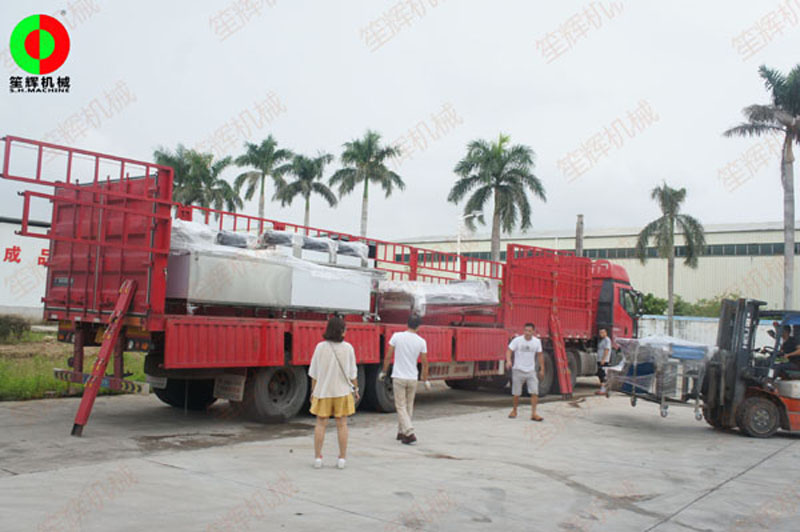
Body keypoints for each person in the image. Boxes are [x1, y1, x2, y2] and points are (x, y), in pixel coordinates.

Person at [308, 316, 359, 469]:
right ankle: (342, 458)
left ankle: (318, 458)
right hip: (342, 392)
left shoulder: (320, 347)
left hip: (323, 391)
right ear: (342, 331)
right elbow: (352, 374)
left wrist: (313, 391)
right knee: (342, 425)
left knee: (320, 424)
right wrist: (356, 389)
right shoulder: (348, 348)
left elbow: (314, 373)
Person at [380, 315, 429, 445]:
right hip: (413, 377)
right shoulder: (421, 341)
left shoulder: (397, 336)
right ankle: (401, 433)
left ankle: (409, 431)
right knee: (408, 406)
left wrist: (384, 371)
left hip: (399, 377)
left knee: (400, 406)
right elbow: (425, 363)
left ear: (407, 324)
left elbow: (388, 356)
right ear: (419, 327)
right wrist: (425, 379)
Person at [506, 322, 544, 421]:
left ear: (533, 332)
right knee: (516, 393)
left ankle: (534, 413)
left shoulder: (537, 342)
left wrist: (542, 369)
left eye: (529, 331)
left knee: (534, 392)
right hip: (518, 370)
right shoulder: (517, 340)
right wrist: (509, 361)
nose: (527, 333)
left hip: (531, 371)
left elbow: (540, 355)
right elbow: (509, 350)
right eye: (525, 330)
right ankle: (514, 410)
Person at [595, 328, 612, 395]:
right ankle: (603, 389)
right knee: (600, 373)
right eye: (600, 333)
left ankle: (604, 389)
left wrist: (603, 359)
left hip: (604, 360)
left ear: (606, 333)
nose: (601, 334)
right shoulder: (602, 340)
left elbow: (606, 350)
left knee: (602, 374)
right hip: (600, 359)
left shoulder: (607, 340)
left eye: (602, 332)